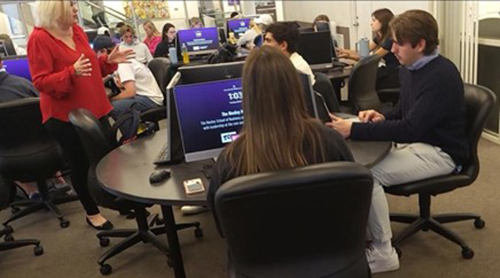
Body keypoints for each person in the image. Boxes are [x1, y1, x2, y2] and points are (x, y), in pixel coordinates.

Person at [327, 10, 468, 274]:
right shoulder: (410, 69)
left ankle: (384, 253)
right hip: (420, 142)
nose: (392, 48)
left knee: (366, 175)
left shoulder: (441, 75)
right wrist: (380, 116)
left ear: (420, 45)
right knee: (358, 166)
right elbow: (405, 111)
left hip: (442, 152)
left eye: (398, 43)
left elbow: (410, 128)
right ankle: (370, 231)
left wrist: (354, 130)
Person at [208, 45, 353, 214]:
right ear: (296, 87)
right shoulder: (330, 141)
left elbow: (222, 223)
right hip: (330, 238)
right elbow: (354, 197)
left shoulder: (231, 159)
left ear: (247, 95)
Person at [27, 0, 133, 231]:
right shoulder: (39, 38)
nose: (76, 9)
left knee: (110, 157)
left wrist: (106, 62)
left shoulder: (76, 30)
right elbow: (41, 82)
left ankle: (119, 201)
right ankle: (92, 212)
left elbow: (89, 66)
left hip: (97, 106)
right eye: (71, 4)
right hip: (66, 116)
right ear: (55, 8)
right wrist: (70, 72)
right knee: (82, 164)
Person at [93, 36, 163, 140]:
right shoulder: (119, 60)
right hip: (145, 95)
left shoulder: (122, 64)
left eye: (96, 54)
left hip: (151, 99)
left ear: (103, 51)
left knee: (113, 106)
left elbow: (130, 92)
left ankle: (131, 137)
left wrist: (106, 99)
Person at [339, 8, 400, 89]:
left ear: (383, 22)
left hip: (395, 72)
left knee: (364, 78)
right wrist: (343, 51)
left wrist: (348, 56)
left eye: (374, 20)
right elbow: (362, 52)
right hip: (389, 69)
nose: (371, 23)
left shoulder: (389, 40)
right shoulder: (379, 37)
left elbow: (372, 59)